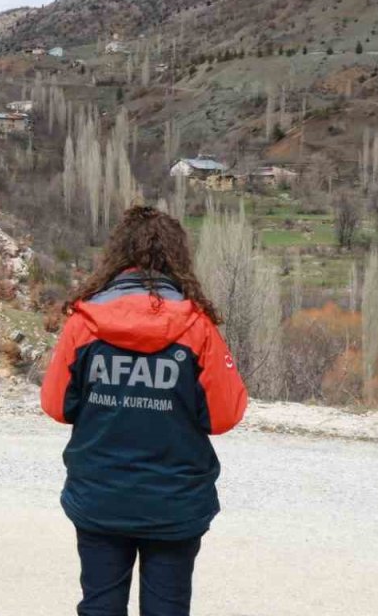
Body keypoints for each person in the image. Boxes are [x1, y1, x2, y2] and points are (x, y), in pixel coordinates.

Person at [41, 206, 248, 616]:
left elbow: (56, 405)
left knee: (100, 607)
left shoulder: (85, 323)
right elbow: (224, 416)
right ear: (176, 258)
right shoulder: (197, 327)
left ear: (117, 256)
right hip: (174, 501)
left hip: (100, 496)